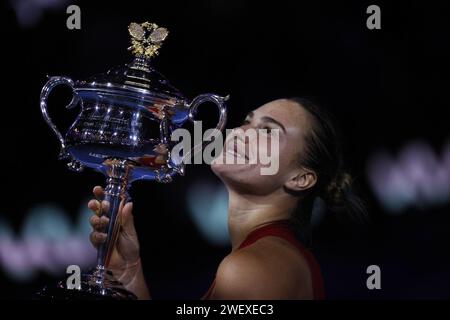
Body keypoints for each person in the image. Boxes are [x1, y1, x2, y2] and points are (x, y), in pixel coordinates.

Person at [88, 97, 366, 299]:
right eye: (247, 121)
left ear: (300, 178)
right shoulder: (271, 260)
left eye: (268, 131)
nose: (240, 133)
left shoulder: (251, 269)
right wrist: (128, 274)